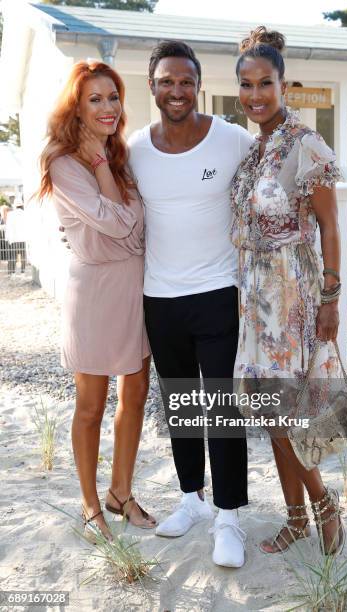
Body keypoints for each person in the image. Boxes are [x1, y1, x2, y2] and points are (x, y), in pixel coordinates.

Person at [128, 41, 253, 568]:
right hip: (160, 295)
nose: (175, 91)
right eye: (165, 81)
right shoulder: (134, 148)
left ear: (198, 85)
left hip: (218, 292)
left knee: (222, 405)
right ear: (151, 86)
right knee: (179, 400)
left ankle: (229, 517)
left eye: (185, 81)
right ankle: (191, 500)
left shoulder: (232, 141)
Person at [232, 27, 345, 556]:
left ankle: (324, 505)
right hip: (256, 300)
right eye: (247, 85)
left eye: (266, 84)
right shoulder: (254, 150)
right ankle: (296, 517)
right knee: (272, 414)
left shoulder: (305, 145)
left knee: (289, 413)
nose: (256, 95)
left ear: (283, 85)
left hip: (293, 294)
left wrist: (331, 299)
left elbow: (329, 227)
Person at [38, 61, 156, 541]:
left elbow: (135, 223)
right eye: (96, 99)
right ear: (76, 106)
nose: (108, 107)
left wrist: (109, 164)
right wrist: (104, 170)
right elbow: (121, 223)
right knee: (91, 404)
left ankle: (120, 493)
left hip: (134, 286)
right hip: (93, 293)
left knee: (136, 394)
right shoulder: (63, 162)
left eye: (114, 97)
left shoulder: (121, 153)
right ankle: (91, 505)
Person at [5, 197, 27, 274]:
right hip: (23, 239)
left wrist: (6, 238)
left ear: (14, 205)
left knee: (12, 256)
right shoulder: (25, 214)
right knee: (23, 256)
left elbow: (8, 227)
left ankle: (11, 272)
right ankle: (23, 271)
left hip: (13, 239)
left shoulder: (10, 214)